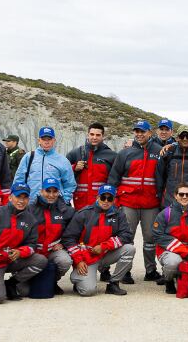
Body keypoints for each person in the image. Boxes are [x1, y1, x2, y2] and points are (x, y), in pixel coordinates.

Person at [0, 182, 47, 304]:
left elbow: (32, 244)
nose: (21, 201)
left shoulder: (31, 220)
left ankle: (11, 283)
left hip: (12, 260)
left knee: (41, 260)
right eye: (18, 197)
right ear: (10, 197)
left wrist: (20, 252)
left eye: (25, 198)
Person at [109, 120, 163, 283]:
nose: (139, 134)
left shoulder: (159, 152)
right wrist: (115, 200)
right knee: (127, 237)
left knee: (150, 239)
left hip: (150, 204)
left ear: (150, 133)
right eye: (136, 131)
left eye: (143, 131)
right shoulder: (125, 153)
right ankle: (125, 272)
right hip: (128, 203)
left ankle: (151, 270)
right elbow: (114, 178)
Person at [63, 183, 135, 297]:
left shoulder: (119, 214)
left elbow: (126, 235)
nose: (106, 201)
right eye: (103, 197)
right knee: (88, 291)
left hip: (105, 254)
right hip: (86, 258)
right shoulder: (83, 214)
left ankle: (113, 283)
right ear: (97, 197)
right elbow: (69, 239)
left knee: (130, 249)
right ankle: (76, 277)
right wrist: (78, 260)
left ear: (114, 200)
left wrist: (104, 246)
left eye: (110, 198)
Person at [28, 176, 76, 288]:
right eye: (48, 191)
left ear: (59, 192)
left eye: (55, 191)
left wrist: (63, 244)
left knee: (65, 261)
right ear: (41, 191)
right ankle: (27, 280)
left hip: (52, 251)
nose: (51, 195)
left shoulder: (66, 210)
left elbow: (73, 232)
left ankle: (51, 281)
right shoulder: (30, 209)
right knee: (24, 291)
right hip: (33, 252)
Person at [13, 126, 77, 202]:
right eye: (43, 139)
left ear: (54, 140)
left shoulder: (63, 160)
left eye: (49, 139)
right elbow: (19, 181)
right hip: (31, 205)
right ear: (39, 140)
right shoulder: (28, 157)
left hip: (54, 206)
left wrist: (63, 201)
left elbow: (70, 184)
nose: (46, 142)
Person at [68, 122, 117, 210]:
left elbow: (116, 179)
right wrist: (74, 168)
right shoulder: (75, 153)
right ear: (88, 135)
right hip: (80, 202)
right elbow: (64, 174)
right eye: (92, 134)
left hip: (102, 203)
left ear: (103, 136)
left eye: (98, 135)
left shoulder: (112, 155)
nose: (94, 137)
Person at [156, 129, 188, 209]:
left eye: (187, 136)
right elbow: (159, 176)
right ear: (177, 138)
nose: (185, 139)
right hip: (169, 201)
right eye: (182, 136)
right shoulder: (169, 152)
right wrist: (160, 196)